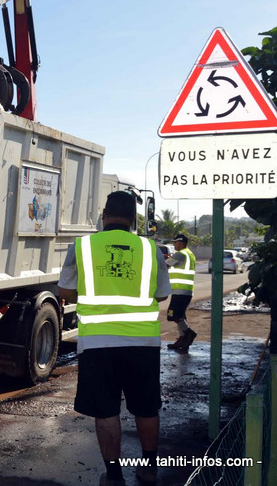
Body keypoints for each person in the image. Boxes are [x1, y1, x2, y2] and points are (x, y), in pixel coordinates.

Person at [58, 191, 171, 486]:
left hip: (97, 344)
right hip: (143, 344)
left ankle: (115, 476)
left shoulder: (82, 247)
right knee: (146, 407)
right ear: (134, 220)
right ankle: (149, 468)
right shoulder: (150, 249)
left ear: (104, 215)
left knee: (106, 411)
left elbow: (66, 292)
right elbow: (161, 294)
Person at [166, 233, 197, 353]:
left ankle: (189, 333)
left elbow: (165, 265)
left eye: (175, 242)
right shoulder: (190, 254)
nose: (174, 244)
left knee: (174, 315)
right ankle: (183, 340)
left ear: (181, 242)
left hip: (180, 290)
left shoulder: (181, 254)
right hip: (186, 290)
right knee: (181, 315)